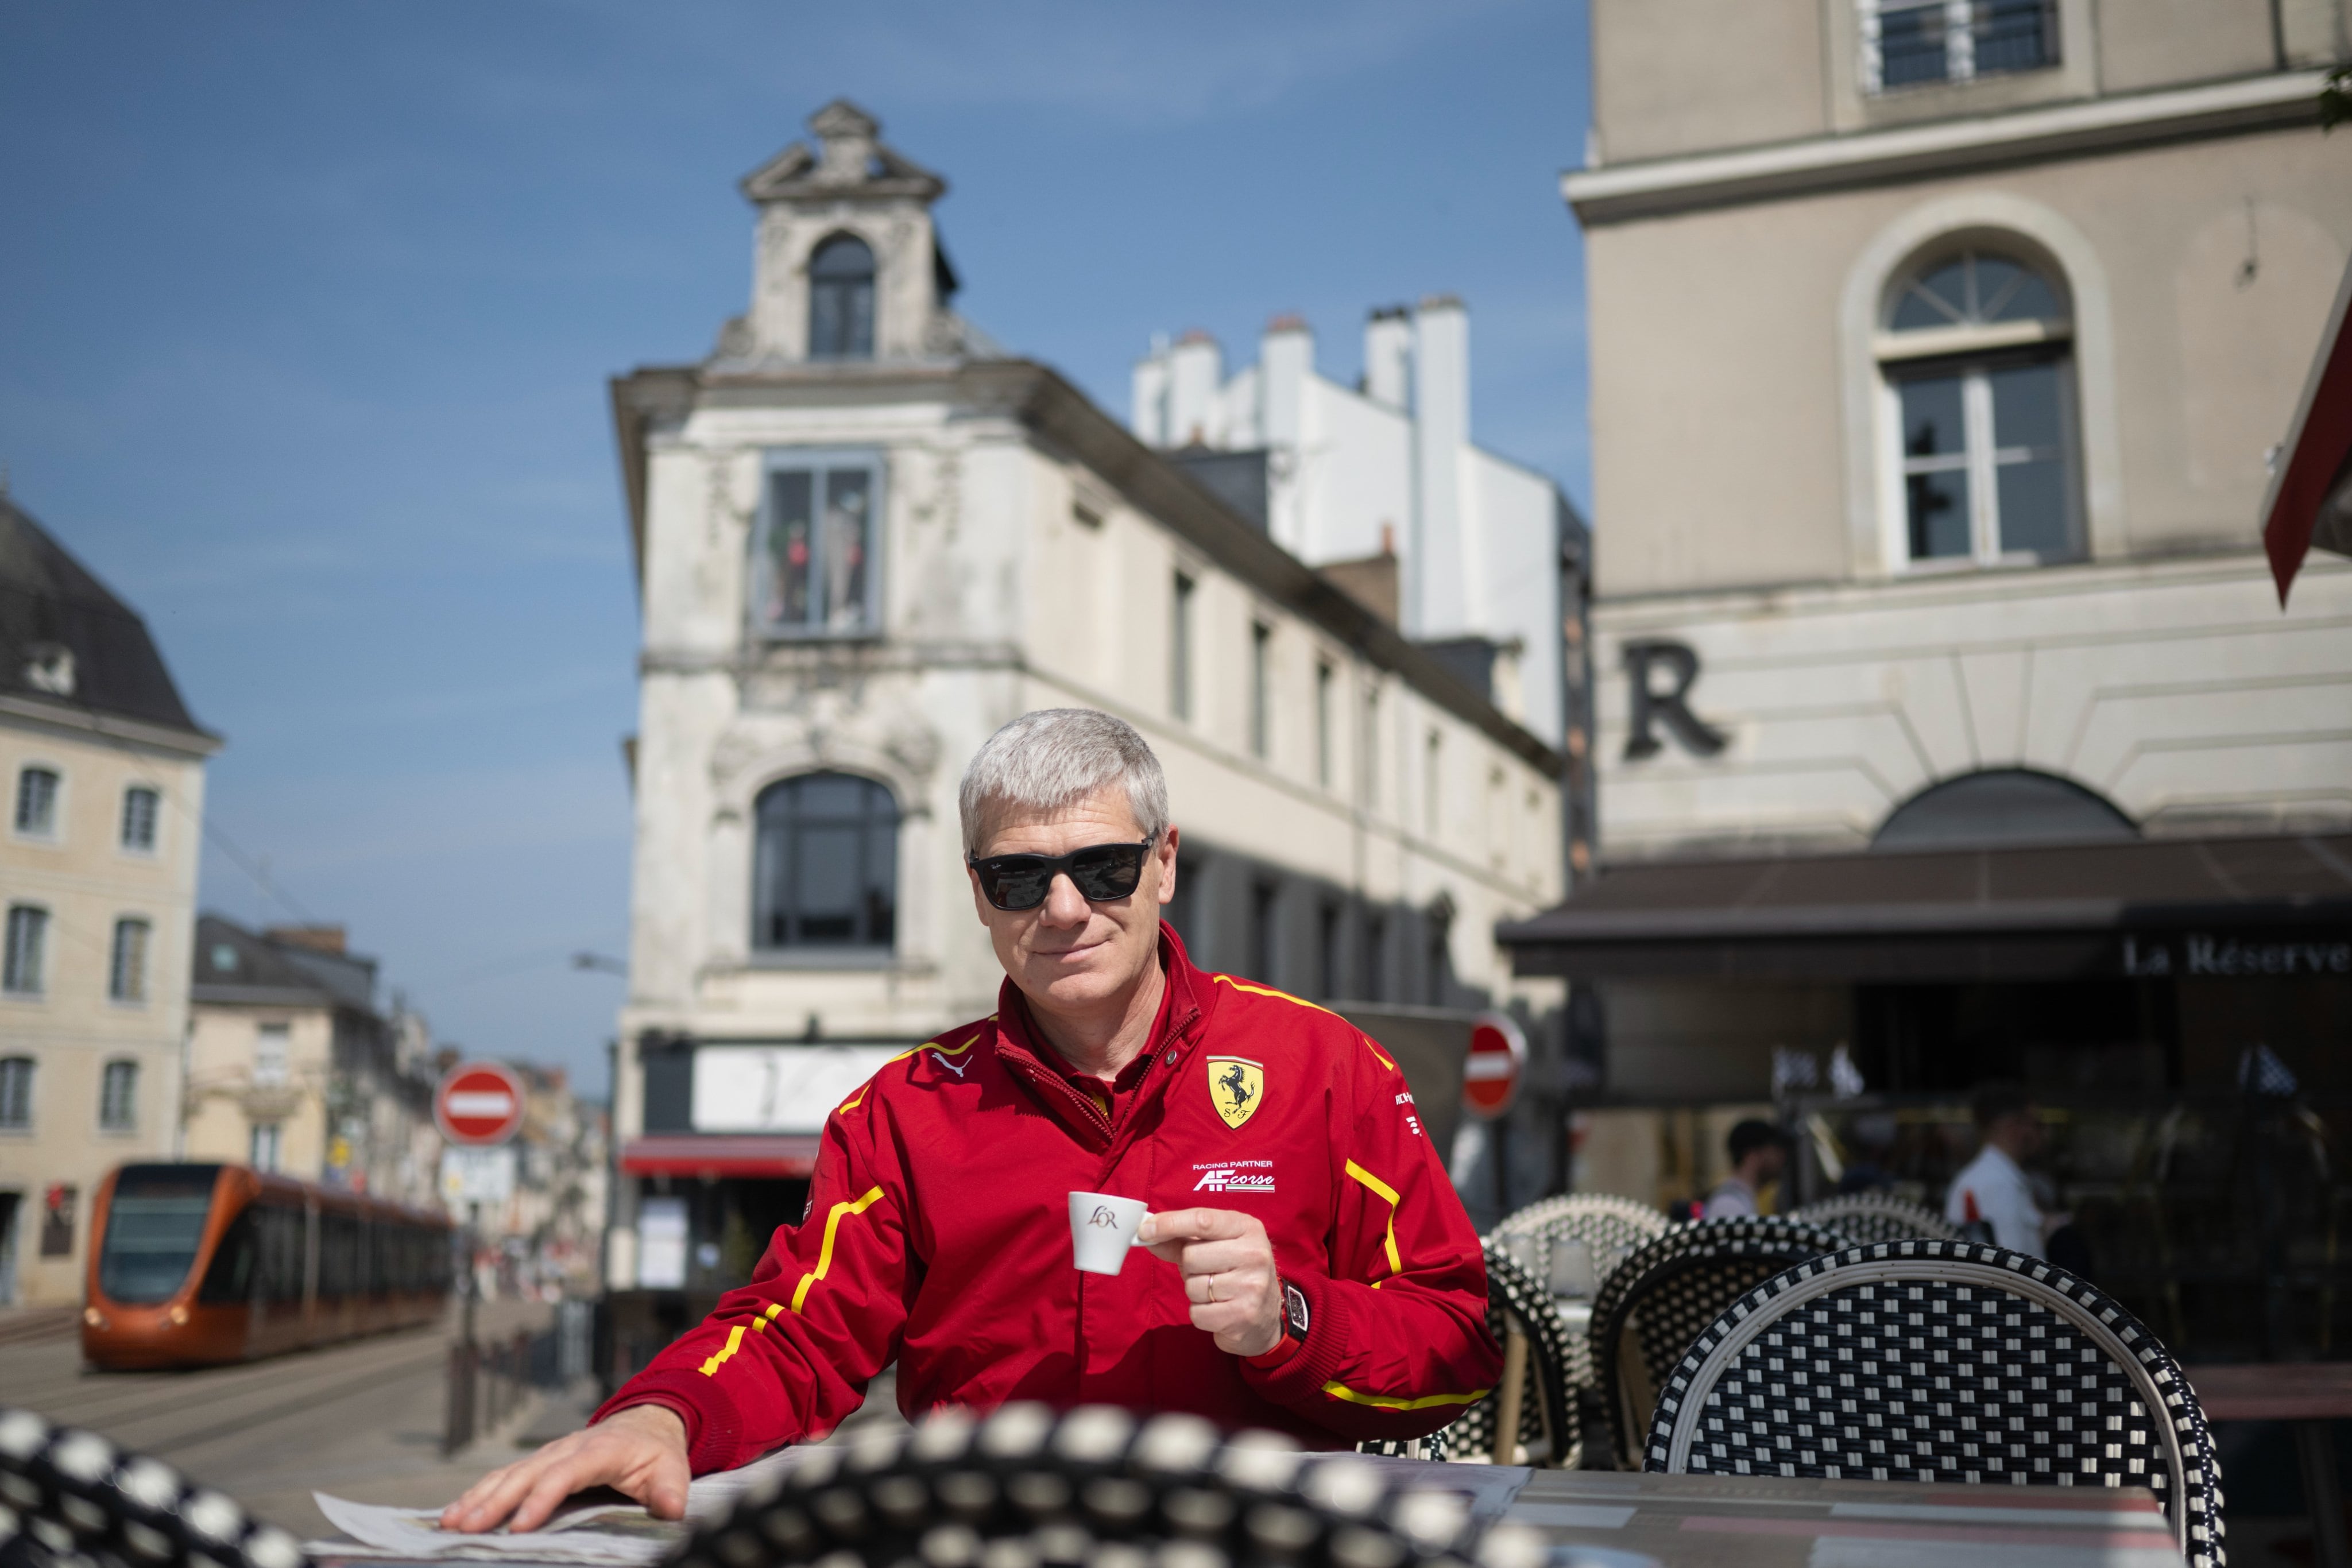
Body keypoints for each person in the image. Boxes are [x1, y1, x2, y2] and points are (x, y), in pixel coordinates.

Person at [445, 708, 1501, 1533]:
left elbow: (1458, 1345)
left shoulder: (1322, 1068)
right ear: (977, 892)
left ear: (1165, 862)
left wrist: (1292, 1323)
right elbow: (800, 1334)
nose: (1064, 909)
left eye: (1104, 866)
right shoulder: (905, 1113)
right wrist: (660, 1415)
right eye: (1018, 877)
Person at [1944, 1081, 2069, 1257]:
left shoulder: (1994, 1178)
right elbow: (2010, 1268)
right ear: (2012, 1126)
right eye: (2036, 1124)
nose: (2042, 1133)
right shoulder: (1994, 1184)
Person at [1701, 1120, 1790, 1218]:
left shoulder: (1743, 1199)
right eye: (1775, 1151)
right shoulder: (1730, 1204)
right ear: (1752, 1155)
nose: (1782, 1159)